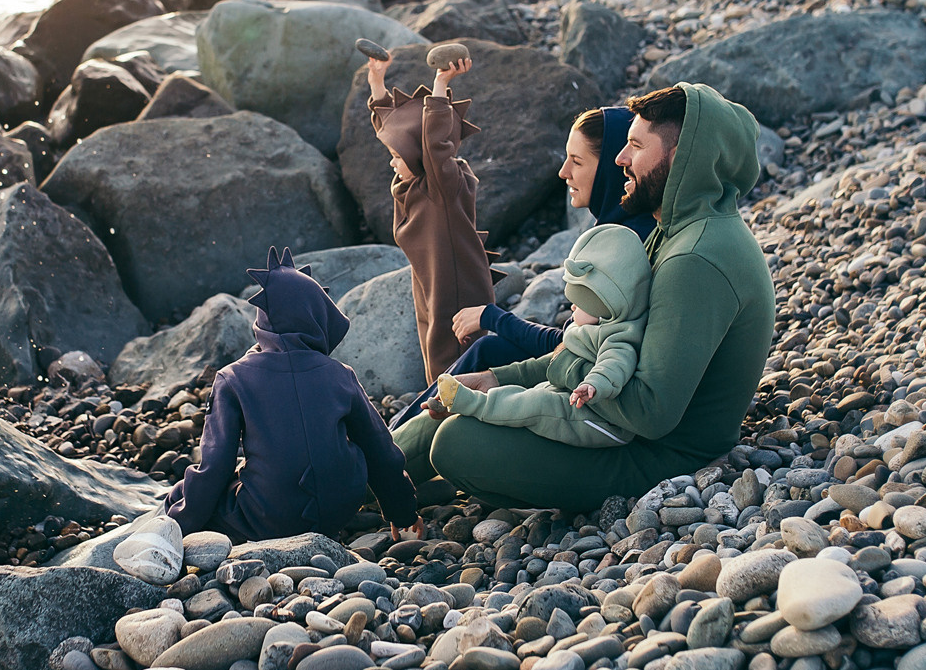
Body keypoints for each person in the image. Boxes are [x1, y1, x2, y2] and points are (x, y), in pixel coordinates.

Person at [394, 83, 776, 513]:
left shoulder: (696, 258)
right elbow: (603, 346)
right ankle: (363, 473)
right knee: (457, 401)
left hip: (659, 457)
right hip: (612, 423)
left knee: (457, 442)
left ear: (682, 156)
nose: (620, 159)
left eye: (636, 146)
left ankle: (351, 485)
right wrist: (502, 380)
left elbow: (650, 411)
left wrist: (540, 385)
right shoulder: (678, 231)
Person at [391, 105, 657, 426]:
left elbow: (566, 347)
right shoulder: (627, 228)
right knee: (487, 349)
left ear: (611, 170)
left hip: (587, 390)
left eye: (577, 161)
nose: (563, 172)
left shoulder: (624, 246)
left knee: (486, 352)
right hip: (583, 374)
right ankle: (394, 437)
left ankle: (393, 442)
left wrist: (492, 316)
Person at [163, 248, 420, 542]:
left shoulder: (233, 378)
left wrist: (182, 522)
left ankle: (169, 533)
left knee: (185, 493)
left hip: (267, 519)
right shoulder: (341, 374)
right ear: (317, 316)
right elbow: (381, 451)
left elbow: (214, 466)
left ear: (261, 324)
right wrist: (403, 513)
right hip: (340, 510)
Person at [433, 223, 650, 443]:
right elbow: (562, 345)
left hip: (597, 420)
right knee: (525, 391)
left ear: (607, 303)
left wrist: (594, 383)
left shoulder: (616, 334)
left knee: (534, 403)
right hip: (571, 397)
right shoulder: (594, 319)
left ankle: (474, 404)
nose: (571, 307)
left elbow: (614, 362)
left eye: (579, 302)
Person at [366, 45, 496, 385]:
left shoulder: (443, 186)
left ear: (418, 154)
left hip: (457, 283)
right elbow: (395, 129)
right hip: (429, 278)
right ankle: (439, 400)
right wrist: (377, 83)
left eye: (397, 156)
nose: (392, 162)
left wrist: (440, 84)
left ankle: (459, 406)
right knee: (430, 339)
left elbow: (435, 143)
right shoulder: (411, 183)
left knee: (452, 347)